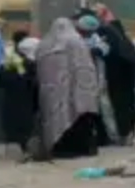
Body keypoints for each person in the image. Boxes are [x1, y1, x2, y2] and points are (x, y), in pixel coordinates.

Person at [36, 17, 104, 160]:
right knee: (76, 118)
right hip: (75, 89)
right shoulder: (75, 41)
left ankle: (58, 148)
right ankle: (78, 149)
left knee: (56, 119)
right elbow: (85, 66)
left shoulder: (44, 44)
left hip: (52, 92)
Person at [82, 6, 135, 145]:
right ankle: (124, 134)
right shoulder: (114, 31)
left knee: (114, 106)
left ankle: (120, 135)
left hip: (117, 77)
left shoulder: (104, 33)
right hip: (124, 76)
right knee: (122, 105)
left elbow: (104, 54)